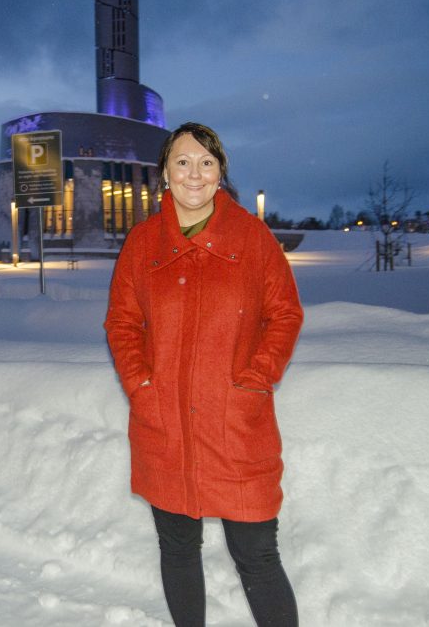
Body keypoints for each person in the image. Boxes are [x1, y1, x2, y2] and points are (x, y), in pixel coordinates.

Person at [105, 122, 303, 627]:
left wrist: (257, 379)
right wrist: (141, 387)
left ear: (221, 173)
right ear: (165, 176)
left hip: (236, 424)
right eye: (183, 162)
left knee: (257, 554)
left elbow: (284, 315)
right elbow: (122, 323)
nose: (195, 173)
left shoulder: (253, 238)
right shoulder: (142, 242)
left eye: (206, 162)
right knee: (177, 549)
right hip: (164, 424)